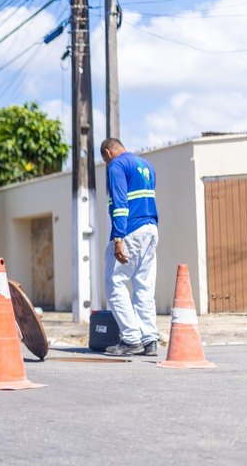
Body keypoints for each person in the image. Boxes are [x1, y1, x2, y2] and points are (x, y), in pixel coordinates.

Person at [100, 138, 159, 356]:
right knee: (143, 286)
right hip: (151, 229)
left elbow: (120, 203)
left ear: (107, 153)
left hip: (131, 230)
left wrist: (118, 238)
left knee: (114, 282)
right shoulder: (146, 165)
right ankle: (150, 339)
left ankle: (131, 339)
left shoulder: (116, 165)